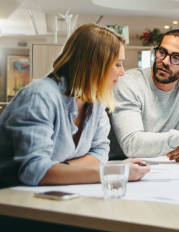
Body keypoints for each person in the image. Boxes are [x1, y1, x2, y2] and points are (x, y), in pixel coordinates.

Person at [0, 23, 150, 186]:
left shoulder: (95, 103)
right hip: (11, 198)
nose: (122, 73)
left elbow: (100, 153)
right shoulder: (39, 96)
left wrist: (59, 170)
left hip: (47, 194)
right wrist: (115, 171)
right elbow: (34, 171)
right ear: (94, 65)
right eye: (117, 64)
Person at [108, 29, 179, 168]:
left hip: (160, 168)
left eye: (176, 58)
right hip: (121, 167)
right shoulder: (129, 82)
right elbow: (131, 144)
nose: (165, 61)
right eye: (162, 52)